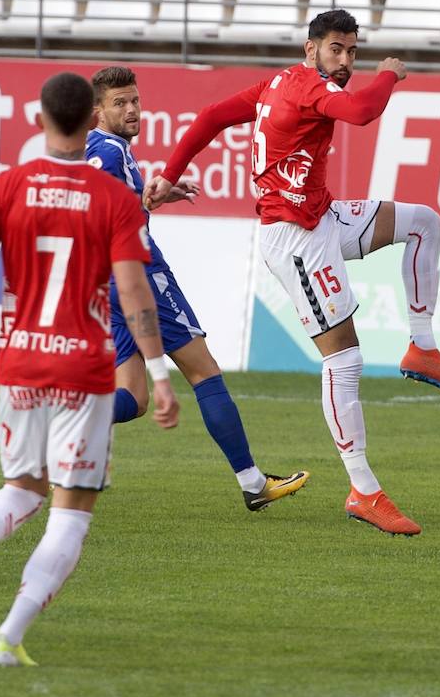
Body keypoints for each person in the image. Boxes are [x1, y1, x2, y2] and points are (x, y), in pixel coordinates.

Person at [145, 9, 440, 537]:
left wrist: (168, 176)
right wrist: (389, 71)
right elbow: (365, 111)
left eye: (353, 52)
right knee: (344, 359)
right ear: (311, 49)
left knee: (424, 223)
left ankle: (422, 347)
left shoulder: (276, 84)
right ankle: (364, 490)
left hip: (321, 216)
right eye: (336, 50)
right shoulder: (310, 90)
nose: (345, 62)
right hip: (296, 238)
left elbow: (210, 116)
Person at [0, 72, 180, 667]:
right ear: (91, 119)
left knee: (22, 489)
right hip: (84, 371)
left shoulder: (5, 186)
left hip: (20, 363)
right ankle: (9, 638)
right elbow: (133, 294)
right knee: (71, 513)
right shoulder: (117, 201)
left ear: (41, 119)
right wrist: (159, 372)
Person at [86, 65, 309, 511]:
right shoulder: (111, 153)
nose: (132, 110)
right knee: (204, 372)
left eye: (135, 100)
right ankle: (252, 482)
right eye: (119, 104)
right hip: (141, 277)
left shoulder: (94, 150)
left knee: (133, 396)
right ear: (98, 112)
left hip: (105, 281)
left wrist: (156, 196)